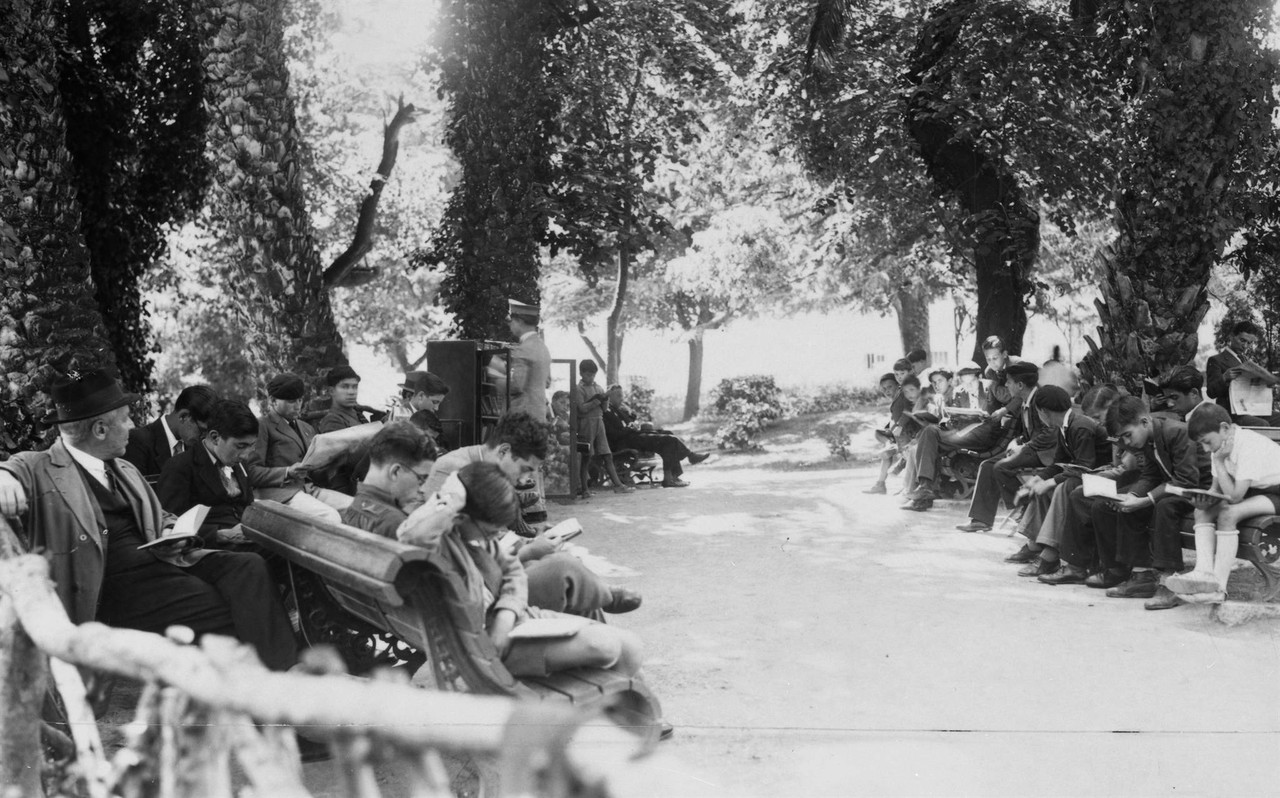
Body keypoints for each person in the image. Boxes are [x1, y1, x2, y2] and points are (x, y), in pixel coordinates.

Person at [0, 370, 298, 672]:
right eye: (127, 418)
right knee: (223, 606)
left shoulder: (123, 467)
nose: (133, 426)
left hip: (163, 561)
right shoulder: (40, 466)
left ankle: (287, 671)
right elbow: (13, 466)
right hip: (112, 589)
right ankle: (272, 685)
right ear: (100, 429)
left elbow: (161, 514)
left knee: (249, 566)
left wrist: (170, 528)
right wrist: (4, 478)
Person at [397, 462, 644, 683]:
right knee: (609, 645)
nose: (496, 536)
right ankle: (610, 705)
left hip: (516, 624)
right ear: (460, 518)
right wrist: (453, 491)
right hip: (493, 648)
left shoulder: (480, 541)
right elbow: (412, 534)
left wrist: (507, 612)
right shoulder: (440, 545)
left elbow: (512, 570)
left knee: (630, 646)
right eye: (490, 530)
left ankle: (624, 704)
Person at [1040, 396, 1201, 587]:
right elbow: (1150, 476)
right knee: (1102, 504)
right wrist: (1131, 495)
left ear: (1144, 422)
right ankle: (1114, 569)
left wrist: (1145, 499)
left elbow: (1187, 480)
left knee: (1157, 506)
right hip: (1170, 488)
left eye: (1127, 435)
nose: (1126, 442)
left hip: (1193, 490)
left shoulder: (1176, 432)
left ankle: (1145, 576)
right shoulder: (1147, 437)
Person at [1164, 403, 1280, 601]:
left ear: (1224, 428)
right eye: (1201, 444)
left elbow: (1235, 497)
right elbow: (1215, 490)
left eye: (1207, 442)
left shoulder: (1248, 445)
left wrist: (1219, 462)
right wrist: (1203, 502)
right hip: (1256, 492)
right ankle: (1203, 573)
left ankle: (1218, 588)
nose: (1206, 448)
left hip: (1276, 493)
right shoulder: (1220, 446)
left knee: (1228, 514)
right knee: (1202, 512)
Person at [157, 399, 305, 546]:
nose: (245, 455)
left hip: (245, 538)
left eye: (251, 446)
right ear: (215, 437)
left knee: (297, 544)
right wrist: (220, 535)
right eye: (240, 446)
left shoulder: (237, 462)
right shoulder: (180, 467)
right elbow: (171, 525)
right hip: (210, 547)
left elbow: (247, 504)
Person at [1007, 385, 1119, 576]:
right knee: (1044, 487)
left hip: (1101, 477)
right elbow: (1059, 463)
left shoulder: (1080, 426)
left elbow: (1085, 465)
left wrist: (1050, 482)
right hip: (1089, 476)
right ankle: (1035, 545)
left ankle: (1050, 554)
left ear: (1043, 411)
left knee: (1062, 487)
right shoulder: (1065, 426)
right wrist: (1038, 479)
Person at [953, 360, 1049, 529]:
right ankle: (981, 520)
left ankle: (1026, 505)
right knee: (988, 465)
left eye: (1009, 382)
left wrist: (1025, 447)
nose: (1006, 385)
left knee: (998, 467)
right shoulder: (1026, 398)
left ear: (1020, 385)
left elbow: (1050, 434)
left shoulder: (1040, 400)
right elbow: (1028, 432)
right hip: (1032, 449)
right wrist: (1018, 442)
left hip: (1044, 453)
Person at [249, 372, 350, 523]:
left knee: (355, 508)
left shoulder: (306, 428)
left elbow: (315, 473)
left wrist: (332, 462)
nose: (297, 406)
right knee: (330, 516)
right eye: (291, 401)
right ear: (273, 400)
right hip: (279, 494)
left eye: (300, 400)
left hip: (308, 489)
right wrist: (287, 472)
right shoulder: (262, 425)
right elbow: (252, 472)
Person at [342, 421, 438, 539]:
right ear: (395, 472)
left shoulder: (355, 506)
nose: (423, 488)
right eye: (421, 478)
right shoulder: (396, 526)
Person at [603, 384, 708, 488]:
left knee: (668, 434)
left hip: (633, 437)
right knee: (668, 440)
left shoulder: (617, 409)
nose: (621, 399)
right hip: (625, 442)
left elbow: (629, 421)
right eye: (618, 396)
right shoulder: (606, 411)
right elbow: (613, 435)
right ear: (609, 397)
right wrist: (629, 428)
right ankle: (675, 472)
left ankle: (675, 475)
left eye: (622, 395)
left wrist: (630, 414)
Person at [123, 385, 218, 479]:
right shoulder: (139, 441)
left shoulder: (193, 447)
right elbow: (135, 491)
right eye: (202, 430)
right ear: (183, 417)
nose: (204, 438)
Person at [316, 364, 382, 494]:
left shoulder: (358, 415)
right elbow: (348, 459)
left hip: (366, 480)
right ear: (331, 391)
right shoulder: (332, 420)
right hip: (347, 487)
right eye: (345, 386)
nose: (351, 392)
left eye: (354, 387)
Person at [573, 360, 633, 497]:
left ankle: (618, 485)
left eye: (593, 375)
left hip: (599, 423)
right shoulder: (578, 389)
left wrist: (605, 398)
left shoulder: (598, 387)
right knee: (586, 456)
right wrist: (597, 401)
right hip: (586, 424)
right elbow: (581, 409)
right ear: (581, 373)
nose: (591, 378)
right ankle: (584, 489)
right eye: (588, 375)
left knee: (607, 454)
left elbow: (604, 409)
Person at [1205, 320, 1272, 426]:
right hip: (1232, 413)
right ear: (1232, 337)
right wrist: (1224, 378)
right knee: (1262, 424)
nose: (1245, 346)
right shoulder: (1216, 360)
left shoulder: (1248, 361)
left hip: (1252, 409)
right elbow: (1211, 392)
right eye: (1242, 340)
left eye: (1249, 343)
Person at [399, 371, 451, 450]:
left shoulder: (429, 417)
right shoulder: (398, 417)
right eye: (434, 402)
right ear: (421, 396)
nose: (436, 408)